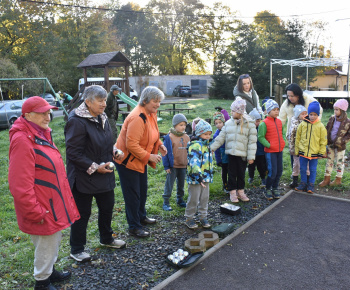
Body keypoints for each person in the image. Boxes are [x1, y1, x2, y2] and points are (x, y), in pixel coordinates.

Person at [8, 97, 80, 290]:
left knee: (53, 239)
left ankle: (49, 270)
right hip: (41, 205)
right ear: (28, 115)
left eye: (48, 112)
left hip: (51, 201)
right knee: (46, 242)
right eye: (42, 112)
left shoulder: (39, 133)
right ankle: (42, 281)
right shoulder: (23, 139)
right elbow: (19, 184)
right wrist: (34, 211)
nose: (48, 116)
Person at [65, 85, 126, 263]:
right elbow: (73, 153)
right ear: (87, 101)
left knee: (107, 208)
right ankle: (77, 249)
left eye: (105, 100)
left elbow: (106, 142)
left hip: (104, 172)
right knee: (82, 214)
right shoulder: (76, 120)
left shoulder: (102, 116)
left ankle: (106, 238)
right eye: (100, 101)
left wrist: (114, 151)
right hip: (84, 176)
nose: (104, 104)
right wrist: (95, 166)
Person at [114, 86, 167, 238]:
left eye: (159, 102)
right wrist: (149, 156)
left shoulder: (151, 113)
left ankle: (141, 217)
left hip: (139, 160)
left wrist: (160, 145)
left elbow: (154, 134)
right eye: (154, 101)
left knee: (142, 190)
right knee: (133, 195)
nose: (157, 104)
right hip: (127, 161)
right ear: (145, 100)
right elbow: (131, 145)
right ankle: (134, 226)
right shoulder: (137, 117)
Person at [211, 97, 257, 203]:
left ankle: (241, 191)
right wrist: (212, 148)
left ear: (239, 112)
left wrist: (251, 157)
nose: (231, 112)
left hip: (243, 154)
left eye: (233, 110)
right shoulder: (228, 124)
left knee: (241, 174)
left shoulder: (249, 124)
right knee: (231, 174)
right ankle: (232, 192)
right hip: (231, 154)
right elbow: (220, 138)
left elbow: (252, 142)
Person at [279, 83, 323, 168]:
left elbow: (319, 110)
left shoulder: (308, 99)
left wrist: (314, 123)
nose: (290, 98)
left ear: (298, 95)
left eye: (292, 96)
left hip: (307, 133)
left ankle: (306, 175)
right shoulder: (286, 104)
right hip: (293, 133)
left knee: (306, 155)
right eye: (288, 96)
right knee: (294, 154)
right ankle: (295, 175)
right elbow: (281, 120)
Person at [185, 119, 213, 229]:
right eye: (205, 134)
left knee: (204, 198)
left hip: (205, 178)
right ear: (199, 134)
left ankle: (203, 217)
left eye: (209, 134)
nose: (208, 136)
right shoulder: (195, 145)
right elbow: (194, 162)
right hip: (196, 178)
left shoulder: (207, 145)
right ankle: (189, 218)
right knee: (194, 198)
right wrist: (198, 176)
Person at [294, 101, 327, 194]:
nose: (312, 116)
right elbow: (298, 138)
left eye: (315, 114)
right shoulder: (302, 124)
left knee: (312, 169)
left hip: (314, 153)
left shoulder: (321, 126)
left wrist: (321, 152)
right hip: (303, 152)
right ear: (308, 114)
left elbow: (323, 140)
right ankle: (303, 183)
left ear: (318, 115)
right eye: (311, 114)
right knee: (303, 169)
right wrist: (297, 150)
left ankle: (311, 184)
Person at [161, 113, 190, 211]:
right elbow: (164, 153)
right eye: (181, 125)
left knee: (181, 184)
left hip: (183, 165)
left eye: (184, 125)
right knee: (169, 184)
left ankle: (180, 199)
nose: (183, 127)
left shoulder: (187, 137)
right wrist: (166, 166)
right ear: (175, 125)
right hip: (173, 166)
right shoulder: (169, 137)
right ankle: (166, 202)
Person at [258, 99, 286, 200]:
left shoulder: (279, 122)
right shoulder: (263, 123)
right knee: (272, 171)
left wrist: (283, 142)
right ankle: (268, 188)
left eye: (278, 109)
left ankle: (275, 187)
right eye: (274, 109)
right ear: (268, 111)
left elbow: (282, 133)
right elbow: (260, 137)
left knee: (279, 170)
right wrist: (269, 145)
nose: (277, 112)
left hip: (279, 150)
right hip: (270, 152)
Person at [319, 99, 350, 187]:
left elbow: (349, 135)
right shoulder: (332, 119)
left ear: (342, 110)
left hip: (340, 146)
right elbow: (327, 129)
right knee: (329, 161)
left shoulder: (348, 122)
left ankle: (338, 179)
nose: (335, 111)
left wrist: (342, 141)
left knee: (339, 162)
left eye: (337, 109)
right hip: (330, 144)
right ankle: (327, 178)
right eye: (334, 109)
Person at [287, 105, 309, 188]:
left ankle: (306, 181)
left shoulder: (308, 123)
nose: (304, 115)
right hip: (296, 149)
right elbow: (291, 138)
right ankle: (295, 180)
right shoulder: (294, 124)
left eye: (305, 113)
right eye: (302, 114)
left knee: (306, 165)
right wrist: (292, 148)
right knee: (296, 164)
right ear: (298, 115)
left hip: (305, 149)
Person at [247, 108, 266, 187]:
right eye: (256, 121)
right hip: (251, 153)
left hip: (260, 152)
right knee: (251, 166)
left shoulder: (261, 128)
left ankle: (263, 178)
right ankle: (251, 177)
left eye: (259, 121)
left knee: (261, 166)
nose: (258, 123)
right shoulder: (248, 129)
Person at [212, 111, 229, 193]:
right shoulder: (216, 135)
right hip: (223, 156)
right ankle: (225, 185)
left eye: (220, 122)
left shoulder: (228, 131)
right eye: (216, 123)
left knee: (232, 171)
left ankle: (232, 185)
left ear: (223, 122)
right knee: (225, 171)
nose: (218, 124)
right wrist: (218, 160)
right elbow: (216, 150)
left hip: (230, 154)